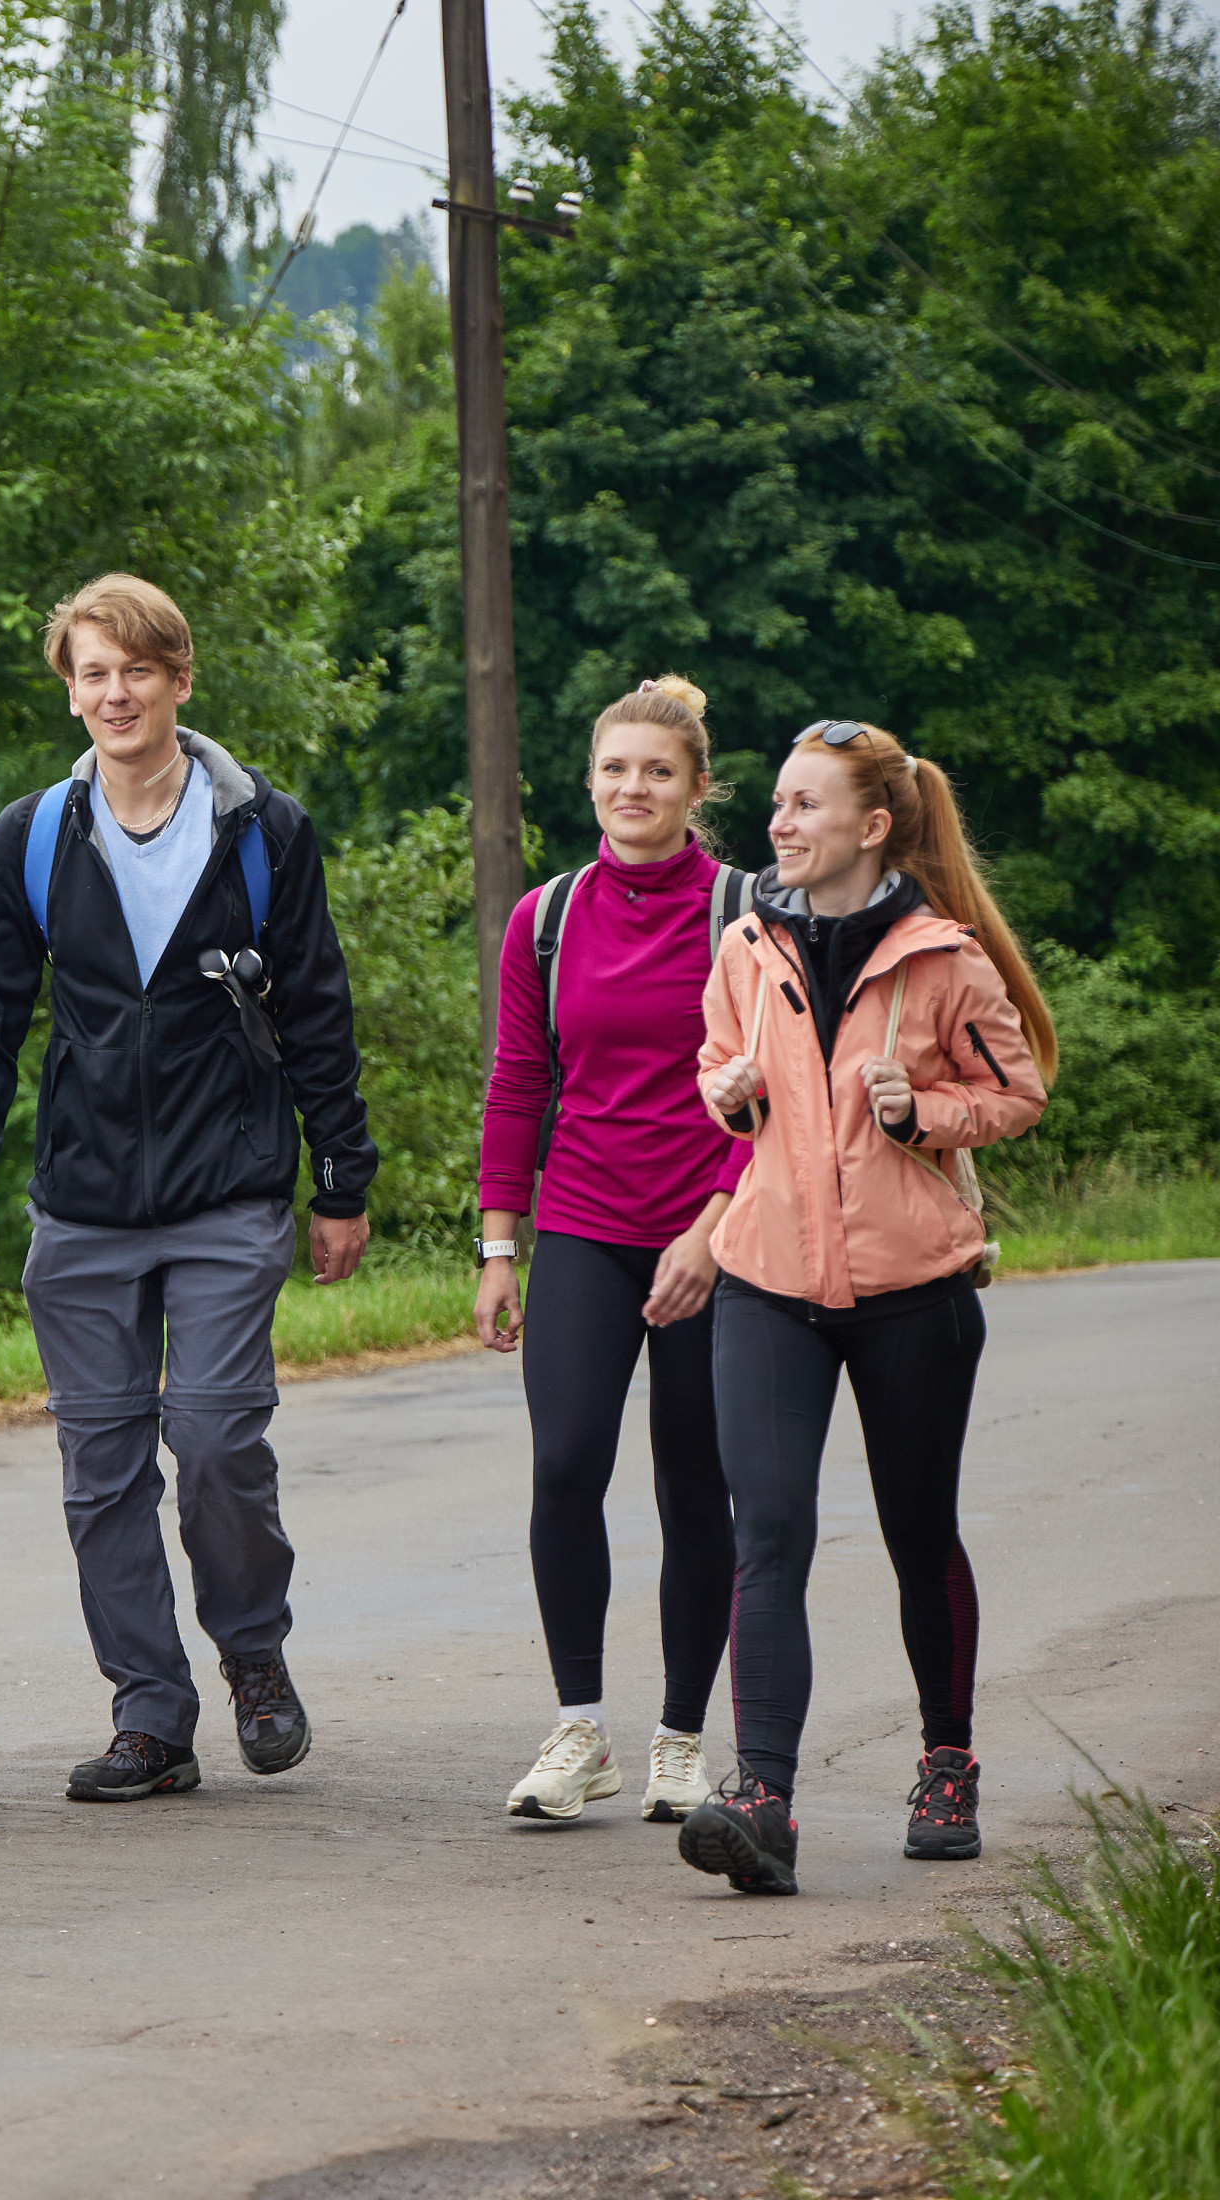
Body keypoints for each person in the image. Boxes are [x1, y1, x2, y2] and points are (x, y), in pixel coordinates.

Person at [0, 574, 377, 1803]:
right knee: (103, 1466)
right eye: (91, 672)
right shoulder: (31, 835)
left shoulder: (260, 828)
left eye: (136, 668)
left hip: (228, 1183)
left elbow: (319, 1011)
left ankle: (253, 1655)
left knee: (217, 1434)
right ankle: (149, 1710)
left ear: (180, 677)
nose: (114, 692)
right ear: (70, 690)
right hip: (80, 1199)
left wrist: (342, 1178)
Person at [680, 719, 1053, 1895]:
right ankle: (765, 1802)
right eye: (778, 805)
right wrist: (728, 1094)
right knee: (770, 1528)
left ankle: (948, 1761)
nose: (778, 824)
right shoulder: (746, 944)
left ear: (872, 824)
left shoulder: (942, 955)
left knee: (915, 1529)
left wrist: (921, 1111)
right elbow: (721, 1076)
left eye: (803, 805)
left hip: (914, 1291)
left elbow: (1018, 1092)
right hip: (768, 1283)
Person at [472, 676, 747, 1826]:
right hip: (583, 1224)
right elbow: (518, 1087)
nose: (633, 788)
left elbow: (785, 1091)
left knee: (695, 1487)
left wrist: (714, 1231)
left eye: (658, 772)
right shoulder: (546, 919)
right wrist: (499, 1244)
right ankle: (579, 1727)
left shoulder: (746, 910)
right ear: (589, 783)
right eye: (615, 770)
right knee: (565, 1463)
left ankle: (682, 1740)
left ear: (695, 789)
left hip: (714, 1236)